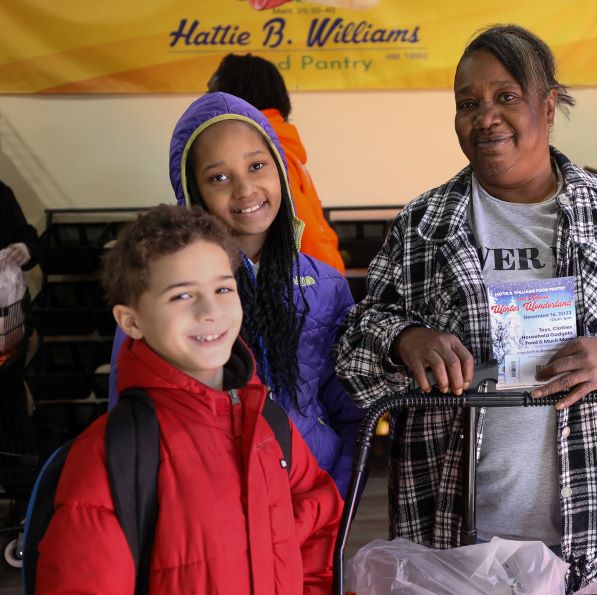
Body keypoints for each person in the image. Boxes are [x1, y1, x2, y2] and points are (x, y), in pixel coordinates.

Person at [335, 25, 597, 594]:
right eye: (468, 103)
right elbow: (353, 347)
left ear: (548, 104)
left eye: (505, 97)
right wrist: (404, 338)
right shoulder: (424, 224)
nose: (484, 116)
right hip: (456, 539)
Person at [37, 205, 341, 593]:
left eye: (223, 288)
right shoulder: (112, 454)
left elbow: (318, 518)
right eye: (182, 295)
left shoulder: (268, 422)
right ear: (131, 321)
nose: (211, 310)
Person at [109, 92, 361, 498]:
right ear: (194, 192)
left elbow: (350, 412)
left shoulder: (328, 285)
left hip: (314, 501)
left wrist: (335, 497)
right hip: (211, 504)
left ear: (279, 170)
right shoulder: (165, 292)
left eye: (257, 166)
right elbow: (132, 409)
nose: (246, 189)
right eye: (219, 178)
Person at [208, 53, 346, 273]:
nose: (206, 103)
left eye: (213, 92)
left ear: (235, 95)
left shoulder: (263, 150)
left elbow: (303, 233)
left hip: (309, 289)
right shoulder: (279, 143)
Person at [0, 180, 41, 524]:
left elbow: (29, 239)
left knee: (12, 416)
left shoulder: (0, 193)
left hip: (5, 334)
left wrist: (24, 249)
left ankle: (25, 506)